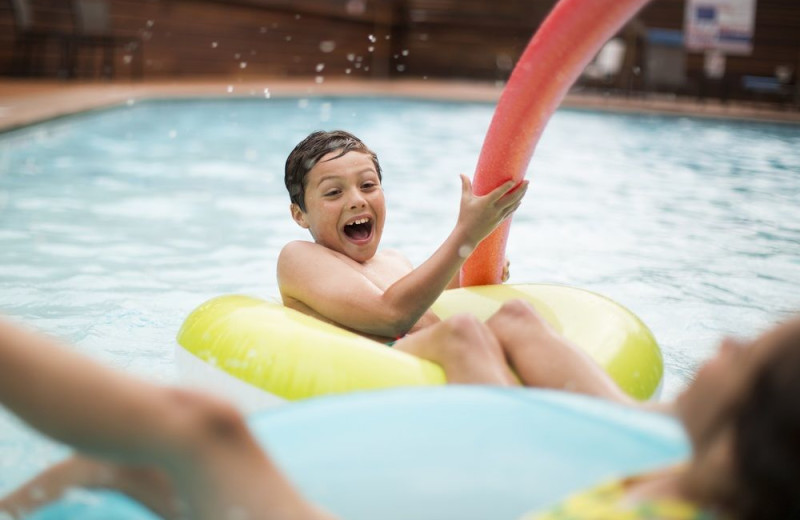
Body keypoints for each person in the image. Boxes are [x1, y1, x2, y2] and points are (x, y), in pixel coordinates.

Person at [2, 305, 800, 519]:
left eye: (745, 354)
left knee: (202, 432)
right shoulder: (689, 476)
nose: (724, 342)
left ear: (753, 429)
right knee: (138, 464)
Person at [278, 130, 528, 346]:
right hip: (388, 366)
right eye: (333, 192)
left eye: (367, 185)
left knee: (516, 316)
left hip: (441, 347)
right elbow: (393, 317)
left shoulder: (394, 261)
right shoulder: (298, 257)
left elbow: (425, 301)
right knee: (460, 331)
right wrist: (467, 234)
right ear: (300, 215)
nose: (357, 200)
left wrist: (479, 256)